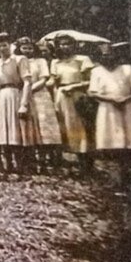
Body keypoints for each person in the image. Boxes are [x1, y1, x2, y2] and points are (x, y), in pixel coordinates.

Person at [88, 44, 131, 188]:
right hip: (108, 109)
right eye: (104, 56)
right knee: (112, 143)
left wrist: (127, 99)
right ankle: (115, 178)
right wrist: (111, 99)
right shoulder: (97, 71)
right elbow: (92, 92)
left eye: (111, 55)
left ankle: (129, 177)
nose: (109, 58)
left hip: (128, 107)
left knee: (129, 142)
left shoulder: (126, 69)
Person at [0, 33, 35, 174]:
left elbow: (27, 82)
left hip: (16, 94)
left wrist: (24, 104)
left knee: (18, 130)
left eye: (4, 45)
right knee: (4, 131)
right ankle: (8, 165)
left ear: (10, 45)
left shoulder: (19, 59)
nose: (2, 48)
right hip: (2, 96)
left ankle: (22, 166)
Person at [18, 37, 63, 172]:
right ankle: (32, 161)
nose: (27, 51)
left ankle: (47, 161)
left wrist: (29, 89)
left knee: (44, 129)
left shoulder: (40, 61)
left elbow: (44, 78)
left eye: (30, 48)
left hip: (40, 96)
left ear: (34, 49)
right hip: (24, 97)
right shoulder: (19, 61)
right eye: (24, 48)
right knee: (29, 128)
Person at [51, 33, 94, 173]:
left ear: (73, 45)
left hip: (77, 94)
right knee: (65, 127)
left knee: (80, 128)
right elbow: (53, 82)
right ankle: (68, 161)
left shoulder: (82, 60)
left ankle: (85, 162)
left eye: (67, 44)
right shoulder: (55, 62)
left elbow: (91, 81)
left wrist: (74, 87)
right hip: (61, 95)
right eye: (61, 44)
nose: (64, 47)